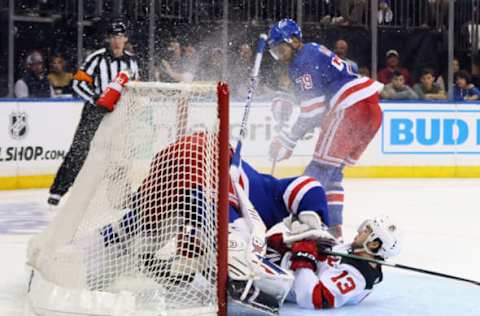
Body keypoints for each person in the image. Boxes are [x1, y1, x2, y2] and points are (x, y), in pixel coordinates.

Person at [267, 19, 384, 239]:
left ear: (293, 41)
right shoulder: (312, 51)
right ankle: (333, 228)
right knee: (332, 173)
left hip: (351, 110)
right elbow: (317, 104)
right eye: (274, 51)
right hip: (370, 112)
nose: (279, 54)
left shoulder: (301, 61)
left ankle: (305, 224)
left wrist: (287, 140)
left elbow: (313, 112)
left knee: (318, 171)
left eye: (280, 47)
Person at [47, 20, 139, 206]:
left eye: (120, 36)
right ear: (108, 38)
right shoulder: (96, 58)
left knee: (119, 152)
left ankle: (122, 193)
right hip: (94, 111)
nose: (117, 41)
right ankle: (58, 190)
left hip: (119, 114)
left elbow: (136, 87)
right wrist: (97, 98)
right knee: (80, 149)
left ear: (126, 39)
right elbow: (77, 83)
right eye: (113, 36)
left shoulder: (132, 62)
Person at [267, 215, 400, 309]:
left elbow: (313, 298)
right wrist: (300, 240)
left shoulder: (357, 277)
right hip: (282, 263)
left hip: (280, 282)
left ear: (373, 244)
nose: (359, 231)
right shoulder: (356, 250)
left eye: (366, 231)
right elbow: (328, 255)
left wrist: (304, 258)